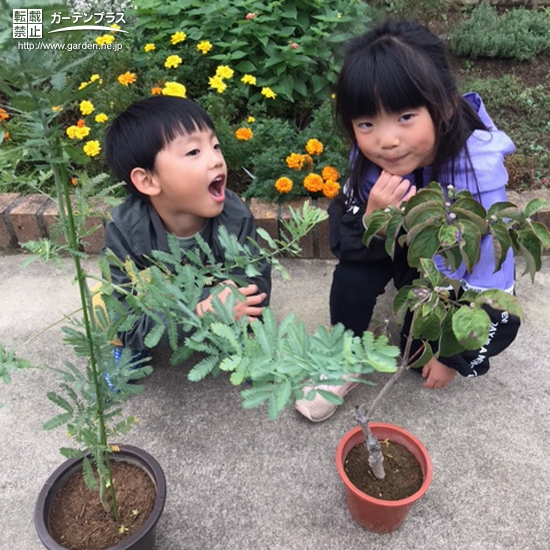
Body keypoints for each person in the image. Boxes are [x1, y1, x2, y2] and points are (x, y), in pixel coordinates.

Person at [295, 20, 521, 422]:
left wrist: (455, 357)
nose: (385, 140)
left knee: (419, 360)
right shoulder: (369, 161)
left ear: (445, 105)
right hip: (401, 246)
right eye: (366, 123)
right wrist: (371, 220)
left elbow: (491, 281)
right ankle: (343, 354)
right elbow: (345, 244)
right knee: (351, 274)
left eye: (405, 117)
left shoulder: (478, 179)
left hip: (444, 275)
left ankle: (424, 331)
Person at [101, 95, 271, 360]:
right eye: (194, 152)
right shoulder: (126, 229)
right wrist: (203, 310)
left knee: (244, 308)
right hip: (163, 305)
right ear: (147, 181)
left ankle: (241, 347)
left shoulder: (235, 218)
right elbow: (124, 317)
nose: (216, 159)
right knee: (104, 305)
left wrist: (232, 307)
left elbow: (255, 289)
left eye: (215, 145)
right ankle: (131, 353)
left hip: (210, 296)